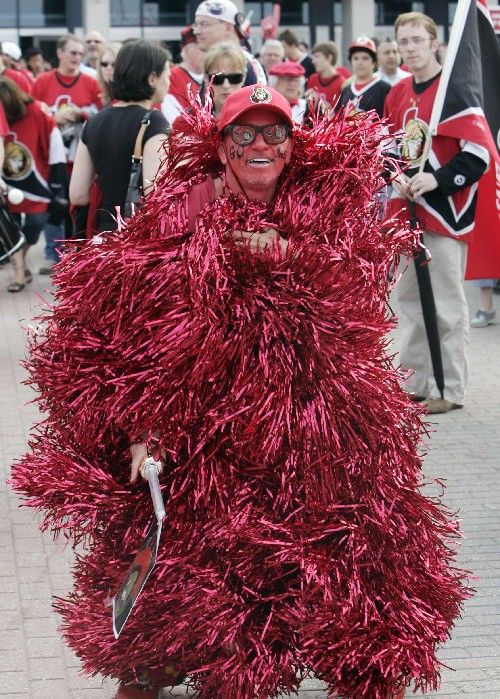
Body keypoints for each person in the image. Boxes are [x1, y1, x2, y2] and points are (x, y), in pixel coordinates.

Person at [12, 83, 471, 699]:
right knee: (187, 543)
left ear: (292, 145)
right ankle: (158, 661)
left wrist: (294, 260)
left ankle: (358, 661)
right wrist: (144, 431)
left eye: (274, 132)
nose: (260, 145)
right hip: (203, 412)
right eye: (245, 133)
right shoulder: (187, 205)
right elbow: (138, 327)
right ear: (221, 144)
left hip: (312, 408)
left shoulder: (320, 203)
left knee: (344, 536)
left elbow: (357, 300)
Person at [384, 12, 490, 413]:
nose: (409, 48)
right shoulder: (398, 93)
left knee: (445, 303)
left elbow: (477, 156)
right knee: (409, 298)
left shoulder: (455, 90)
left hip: (444, 212)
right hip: (406, 209)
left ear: (434, 43)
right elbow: (391, 148)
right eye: (402, 42)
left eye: (416, 40)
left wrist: (437, 180)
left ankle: (449, 388)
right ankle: (415, 381)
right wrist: (395, 176)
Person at [69, 41, 170, 234]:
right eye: (167, 74)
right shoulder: (154, 122)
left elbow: (78, 195)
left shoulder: (94, 121)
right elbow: (155, 193)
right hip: (136, 240)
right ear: (152, 78)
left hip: (101, 236)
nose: (169, 82)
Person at [33, 33, 102, 272]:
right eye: (72, 52)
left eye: (80, 54)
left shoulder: (91, 82)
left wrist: (80, 114)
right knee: (54, 206)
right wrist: (53, 117)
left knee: (78, 205)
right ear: (60, 53)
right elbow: (30, 114)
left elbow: (102, 114)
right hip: (51, 156)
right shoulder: (42, 81)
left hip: (80, 157)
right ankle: (53, 254)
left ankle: (74, 253)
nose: (77, 57)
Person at [0, 76, 66, 290]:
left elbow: (54, 144)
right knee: (11, 228)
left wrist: (57, 180)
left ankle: (23, 256)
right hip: (6, 183)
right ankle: (19, 272)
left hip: (35, 183)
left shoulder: (36, 111)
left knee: (37, 222)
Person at [193, 0, 266, 85]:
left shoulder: (242, 63)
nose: (196, 31)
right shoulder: (237, 61)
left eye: (204, 24)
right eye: (196, 25)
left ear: (228, 28)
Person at [338, 37, 391, 119]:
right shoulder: (346, 91)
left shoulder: (385, 89)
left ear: (373, 62)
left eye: (365, 58)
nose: (360, 62)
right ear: (351, 62)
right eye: (356, 58)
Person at [161, 27, 203, 125]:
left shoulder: (216, 78)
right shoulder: (169, 77)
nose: (208, 53)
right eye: (202, 49)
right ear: (186, 50)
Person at [306, 41, 351, 110]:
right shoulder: (312, 79)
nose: (313, 61)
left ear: (329, 58)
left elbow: (342, 113)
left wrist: (325, 105)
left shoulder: (342, 83)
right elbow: (309, 111)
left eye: (317, 57)